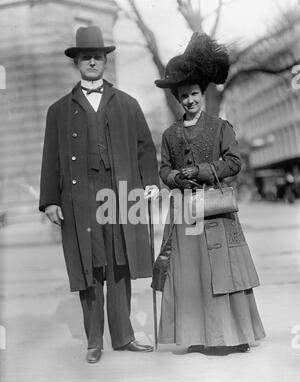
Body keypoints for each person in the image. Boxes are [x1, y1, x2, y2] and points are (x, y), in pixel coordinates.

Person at [39, 26, 160, 363]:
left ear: (105, 61)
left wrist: (150, 180)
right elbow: (50, 158)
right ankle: (94, 341)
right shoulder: (58, 111)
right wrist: (50, 199)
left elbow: (144, 149)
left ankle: (123, 336)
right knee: (89, 265)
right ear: (76, 62)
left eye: (98, 57)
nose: (92, 62)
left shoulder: (127, 104)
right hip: (79, 197)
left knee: (119, 262)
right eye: (85, 57)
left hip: (120, 193)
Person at [152, 33, 265, 355]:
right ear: (178, 99)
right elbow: (163, 169)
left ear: (203, 94)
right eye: (183, 96)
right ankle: (198, 335)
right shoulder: (170, 134)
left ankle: (232, 334)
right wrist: (175, 176)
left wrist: (201, 172)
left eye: (194, 94)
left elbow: (233, 162)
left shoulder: (220, 127)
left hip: (216, 212)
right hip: (185, 215)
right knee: (191, 273)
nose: (189, 101)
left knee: (221, 271)